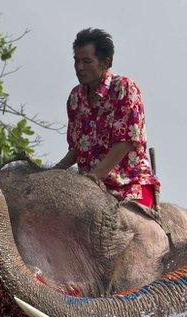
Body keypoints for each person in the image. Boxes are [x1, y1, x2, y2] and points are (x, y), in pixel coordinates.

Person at [54, 28, 161, 209]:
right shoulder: (75, 98)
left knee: (133, 231)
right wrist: (53, 172)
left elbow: (125, 142)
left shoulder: (124, 88)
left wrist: (92, 178)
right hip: (90, 189)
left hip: (129, 185)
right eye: (76, 61)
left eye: (87, 61)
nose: (79, 67)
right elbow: (77, 149)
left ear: (105, 62)